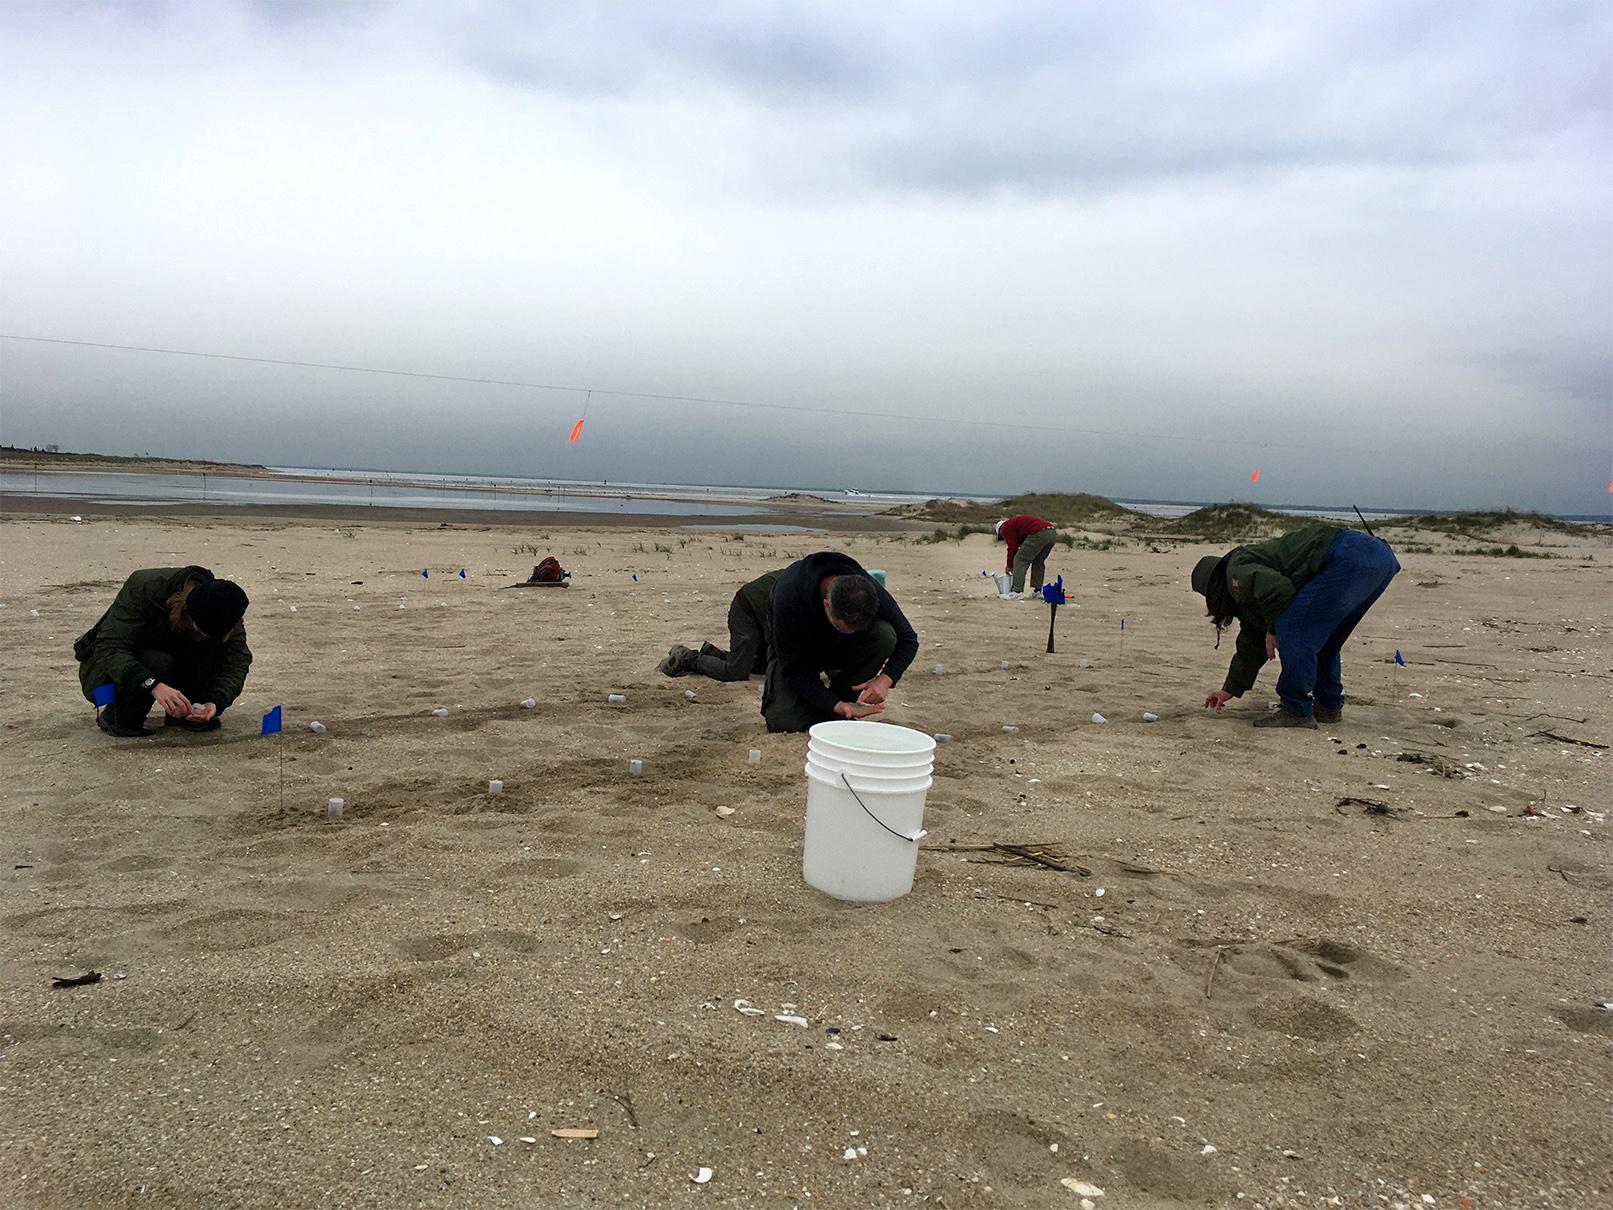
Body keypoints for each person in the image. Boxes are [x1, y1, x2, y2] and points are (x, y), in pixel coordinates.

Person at [1191, 524, 1400, 729]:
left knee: (1293, 630)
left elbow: (1280, 590)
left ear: (1214, 588)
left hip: (1347, 555)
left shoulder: (1236, 572)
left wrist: (1273, 629)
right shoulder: (1251, 589)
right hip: (1380, 559)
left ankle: (1295, 710)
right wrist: (1229, 690)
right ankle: (1328, 707)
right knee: (1326, 641)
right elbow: (1251, 644)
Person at [74, 566, 252, 737]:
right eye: (200, 630)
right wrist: (152, 684)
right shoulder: (144, 587)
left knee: (215, 647)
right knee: (158, 661)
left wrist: (214, 701)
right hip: (107, 677)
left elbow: (236, 662)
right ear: (186, 610)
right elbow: (109, 648)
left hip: (175, 661)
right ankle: (120, 716)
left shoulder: (226, 606)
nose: (203, 635)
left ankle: (188, 710)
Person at [760, 552, 919, 733]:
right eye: (842, 627)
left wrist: (886, 678)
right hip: (797, 650)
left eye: (855, 630)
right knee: (783, 721)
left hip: (838, 646)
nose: (849, 632)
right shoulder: (789, 596)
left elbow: (908, 640)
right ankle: (832, 704)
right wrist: (834, 705)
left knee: (884, 634)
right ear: (827, 605)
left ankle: (844, 694)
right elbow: (794, 669)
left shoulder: (867, 590)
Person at [658, 570, 780, 681]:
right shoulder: (794, 586)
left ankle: (716, 655)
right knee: (735, 672)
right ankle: (687, 658)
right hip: (747, 610)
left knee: (765, 666)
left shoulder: (796, 577)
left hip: (764, 614)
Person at [995, 515, 1059, 596]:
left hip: (1039, 532)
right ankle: (1038, 591)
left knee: (1020, 559)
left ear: (1000, 531)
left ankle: (1016, 592)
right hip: (1052, 533)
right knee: (1038, 561)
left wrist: (1009, 565)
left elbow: (1013, 548)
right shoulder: (1015, 524)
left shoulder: (1005, 527)